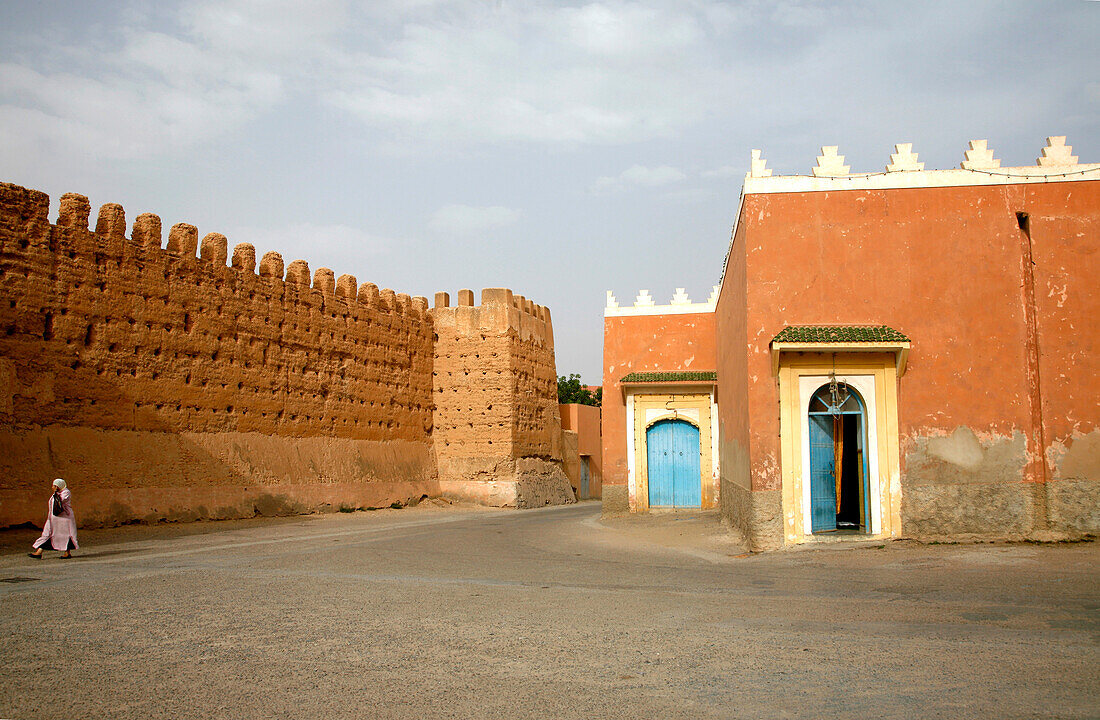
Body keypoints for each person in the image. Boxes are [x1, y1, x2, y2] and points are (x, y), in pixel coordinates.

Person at [29, 478, 78, 559]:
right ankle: (39, 552)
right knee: (48, 533)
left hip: (64, 519)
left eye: (54, 486)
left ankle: (67, 553)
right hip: (54, 519)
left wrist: (55, 492)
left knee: (65, 535)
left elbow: (60, 501)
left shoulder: (66, 492)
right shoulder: (56, 493)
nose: (52, 487)